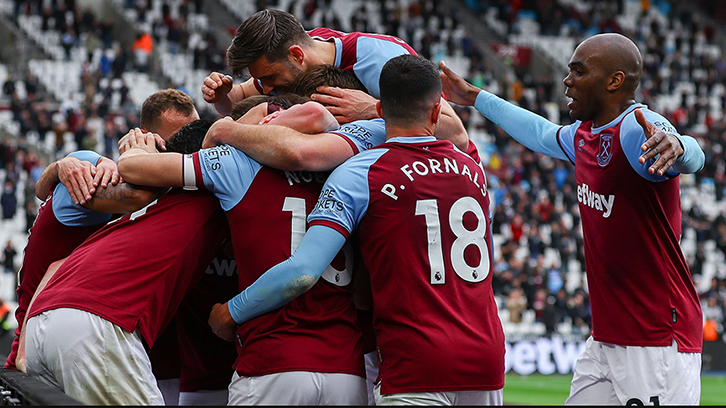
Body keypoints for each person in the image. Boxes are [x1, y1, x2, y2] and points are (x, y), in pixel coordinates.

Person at [208, 54, 506, 405]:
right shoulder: (473, 171)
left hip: (415, 361)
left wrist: (231, 311)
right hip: (486, 359)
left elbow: (304, 271)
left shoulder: (360, 172)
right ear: (436, 112)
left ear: (379, 109)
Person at [438, 33, 705, 405]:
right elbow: (541, 133)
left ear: (614, 81)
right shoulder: (586, 137)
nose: (567, 81)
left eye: (578, 72)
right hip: (609, 336)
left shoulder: (635, 129)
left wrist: (680, 147)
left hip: (656, 337)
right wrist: (474, 98)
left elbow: (688, 154)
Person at [118, 97, 373, 405]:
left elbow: (134, 167)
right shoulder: (353, 165)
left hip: (271, 359)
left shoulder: (235, 162)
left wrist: (138, 143)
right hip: (346, 367)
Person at [23, 120, 228, 405]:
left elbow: (56, 265)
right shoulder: (212, 188)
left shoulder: (146, 196)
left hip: (46, 320)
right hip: (96, 322)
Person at [201, 9, 468, 149]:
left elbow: (455, 135)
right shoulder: (287, 60)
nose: (266, 88)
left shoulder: (378, 59)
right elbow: (237, 102)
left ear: (297, 55)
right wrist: (222, 93)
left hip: (448, 181)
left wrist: (372, 110)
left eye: (269, 78)